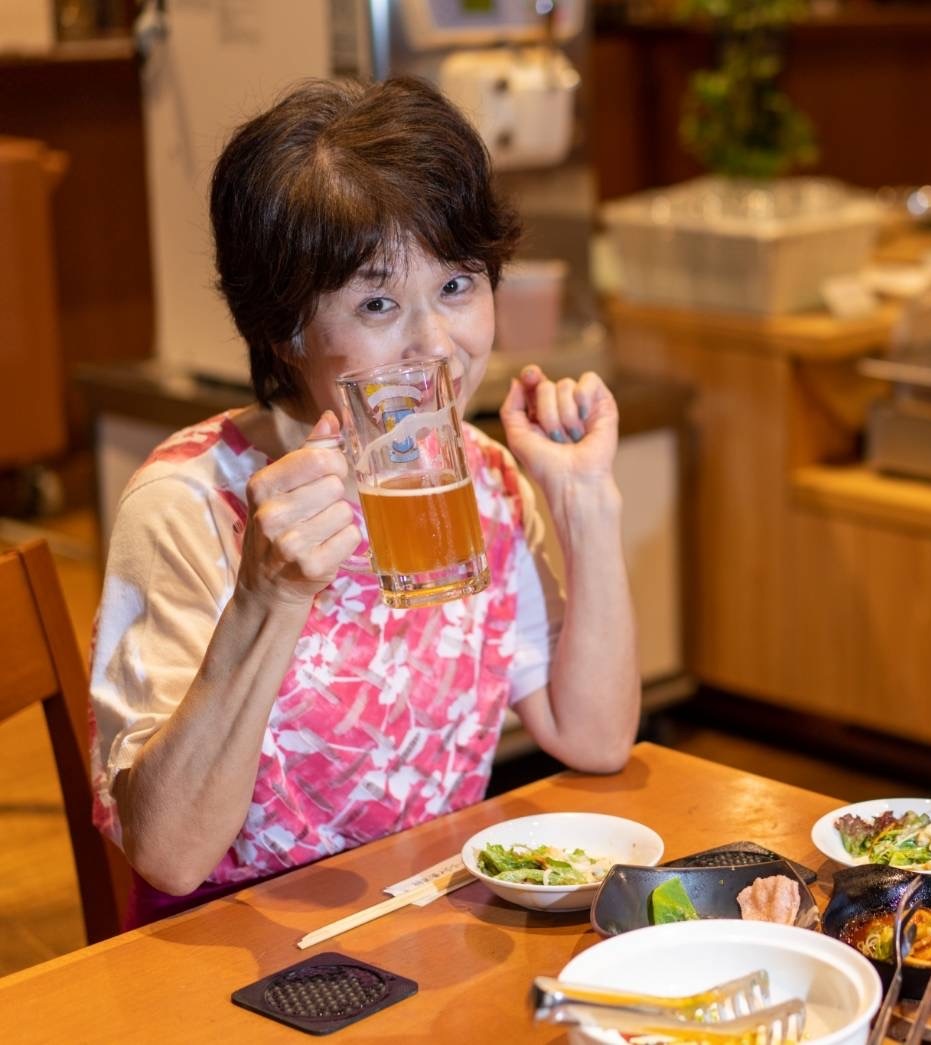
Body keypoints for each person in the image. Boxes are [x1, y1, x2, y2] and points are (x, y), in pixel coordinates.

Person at [88, 77, 639, 925]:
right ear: (284, 327)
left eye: (458, 285)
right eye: (377, 303)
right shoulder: (189, 499)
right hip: (229, 948)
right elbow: (169, 854)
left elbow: (593, 738)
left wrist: (584, 501)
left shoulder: (480, 476)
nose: (437, 348)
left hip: (432, 915)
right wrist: (267, 594)